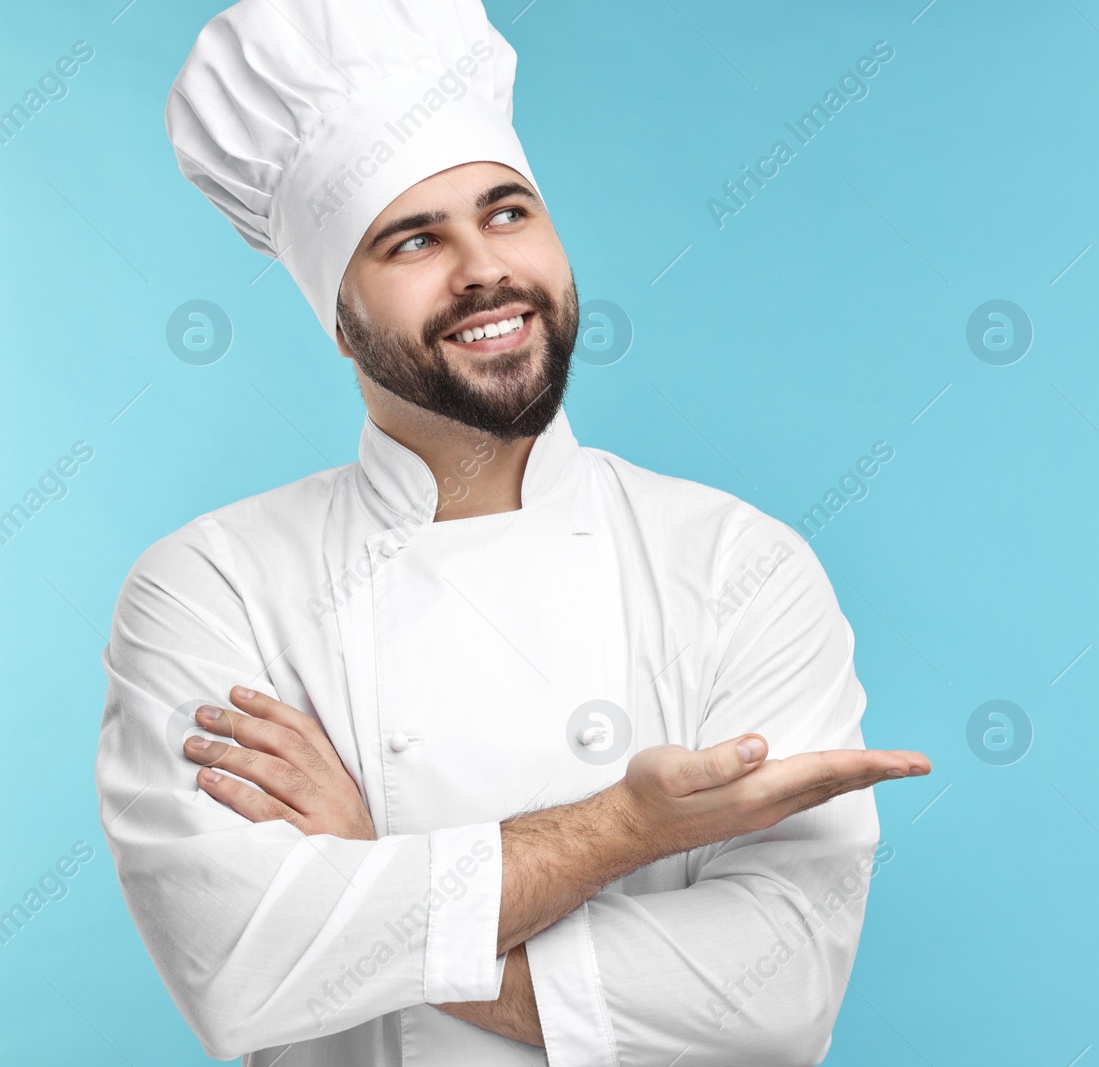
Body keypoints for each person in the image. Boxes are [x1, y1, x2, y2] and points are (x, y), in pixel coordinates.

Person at [93, 1, 930, 1064]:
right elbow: (236, 963)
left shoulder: (737, 564)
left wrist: (371, 870)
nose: (483, 268)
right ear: (338, 318)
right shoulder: (213, 583)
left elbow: (777, 990)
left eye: (507, 212)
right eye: (412, 239)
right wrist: (624, 827)